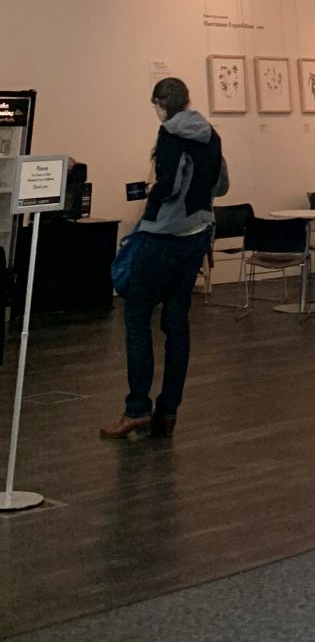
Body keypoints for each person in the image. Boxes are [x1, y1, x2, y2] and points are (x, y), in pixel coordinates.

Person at [100, 77, 228, 441]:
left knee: (137, 315)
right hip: (199, 232)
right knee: (177, 321)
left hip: (164, 237)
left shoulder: (169, 134)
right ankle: (168, 411)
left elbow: (169, 186)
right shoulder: (211, 134)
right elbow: (221, 184)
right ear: (187, 100)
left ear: (159, 103)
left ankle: (137, 408)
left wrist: (150, 209)